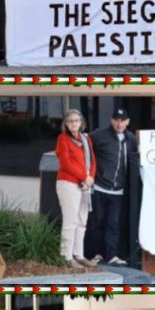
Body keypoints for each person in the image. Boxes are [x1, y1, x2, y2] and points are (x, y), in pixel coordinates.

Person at [88, 107, 138, 266]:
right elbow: (84, 148)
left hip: (118, 190)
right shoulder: (99, 135)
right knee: (97, 223)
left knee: (113, 224)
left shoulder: (131, 139)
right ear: (111, 120)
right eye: (116, 120)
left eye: (122, 120)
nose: (119, 123)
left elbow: (134, 161)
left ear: (127, 122)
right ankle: (97, 254)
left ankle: (111, 255)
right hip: (99, 187)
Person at [55, 109, 97, 269]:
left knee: (81, 221)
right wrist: (84, 177)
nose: (73, 124)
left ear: (81, 122)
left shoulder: (86, 139)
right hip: (68, 184)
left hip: (85, 185)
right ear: (66, 124)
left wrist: (90, 179)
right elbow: (65, 163)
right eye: (70, 121)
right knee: (70, 221)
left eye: (76, 120)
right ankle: (66, 257)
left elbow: (93, 161)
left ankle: (79, 255)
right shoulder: (63, 139)